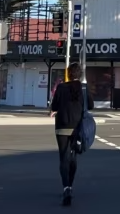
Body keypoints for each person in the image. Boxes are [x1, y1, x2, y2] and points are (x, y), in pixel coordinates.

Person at [49, 63, 93, 206]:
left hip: (62, 126)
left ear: (68, 74)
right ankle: (71, 186)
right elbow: (91, 106)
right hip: (78, 128)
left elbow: (54, 106)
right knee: (73, 157)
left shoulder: (61, 88)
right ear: (80, 74)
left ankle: (66, 187)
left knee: (63, 158)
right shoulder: (84, 89)